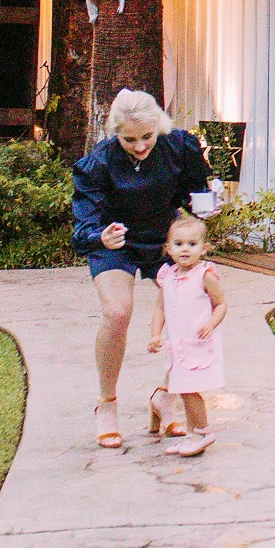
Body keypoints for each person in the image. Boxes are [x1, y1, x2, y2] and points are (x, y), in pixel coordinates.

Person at [72, 89, 212, 450]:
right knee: (118, 312)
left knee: (191, 308)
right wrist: (98, 235)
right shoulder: (99, 162)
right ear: (114, 133)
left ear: (159, 126)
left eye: (147, 137)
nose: (139, 147)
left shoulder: (179, 145)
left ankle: (165, 397)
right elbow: (82, 226)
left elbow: (195, 193)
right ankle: (106, 405)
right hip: (116, 239)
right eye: (129, 139)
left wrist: (207, 205)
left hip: (163, 237)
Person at [147, 213, 227, 458]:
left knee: (191, 391)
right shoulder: (168, 275)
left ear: (204, 248)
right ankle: (192, 436)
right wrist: (155, 334)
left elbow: (221, 304)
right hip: (178, 347)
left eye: (192, 244)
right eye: (178, 244)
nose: (185, 250)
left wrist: (211, 323)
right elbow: (160, 307)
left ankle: (204, 431)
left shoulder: (205, 275)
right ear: (168, 248)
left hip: (198, 344)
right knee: (182, 389)